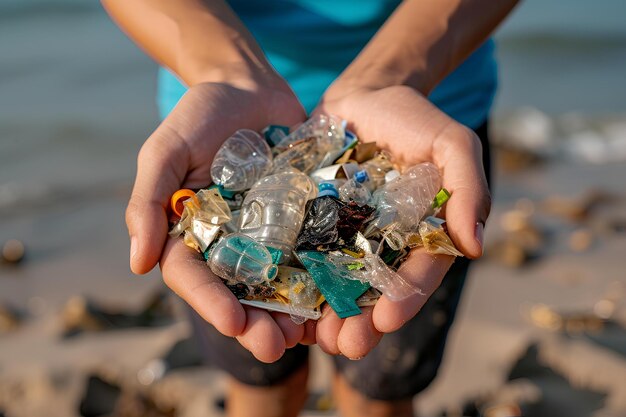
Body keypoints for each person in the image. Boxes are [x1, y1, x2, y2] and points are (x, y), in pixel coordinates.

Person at [103, 1, 518, 416]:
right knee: (260, 384)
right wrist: (224, 72)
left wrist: (388, 77)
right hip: (219, 123)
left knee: (380, 391)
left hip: (416, 120)